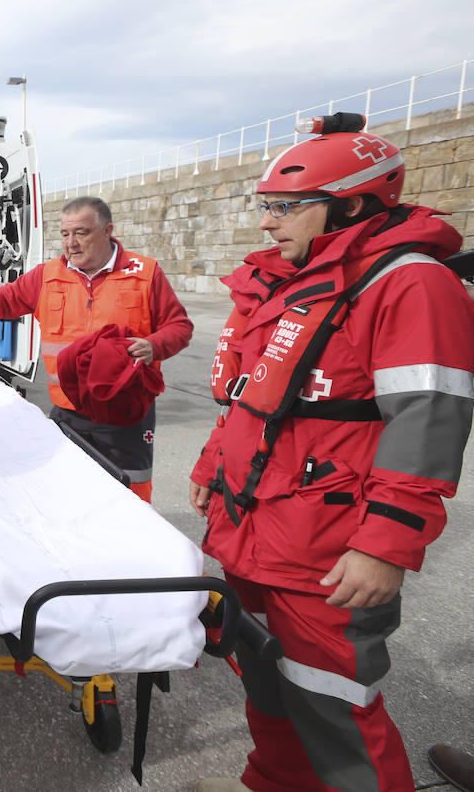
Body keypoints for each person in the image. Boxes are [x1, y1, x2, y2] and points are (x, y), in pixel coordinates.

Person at [188, 116, 474, 792]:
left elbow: (429, 418)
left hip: (324, 547)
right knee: (265, 681)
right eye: (266, 206)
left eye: (286, 207)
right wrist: (209, 463)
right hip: (257, 528)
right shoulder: (292, 279)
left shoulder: (408, 283)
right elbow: (254, 394)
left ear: (351, 204)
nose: (267, 223)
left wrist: (386, 545)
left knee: (335, 712)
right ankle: (278, 782)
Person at [0, 195, 192, 501]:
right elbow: (4, 298)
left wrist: (154, 345)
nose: (71, 243)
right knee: (65, 493)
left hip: (125, 415)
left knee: (129, 497)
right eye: (64, 234)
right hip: (69, 412)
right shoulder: (48, 276)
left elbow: (180, 327)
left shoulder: (144, 273)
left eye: (81, 232)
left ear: (107, 231)